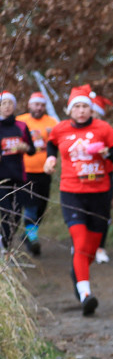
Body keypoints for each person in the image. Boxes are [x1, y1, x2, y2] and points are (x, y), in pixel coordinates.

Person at [44, 85, 113, 315]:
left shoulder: (104, 128)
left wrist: (107, 154)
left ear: (91, 109)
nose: (81, 111)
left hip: (99, 194)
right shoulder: (60, 130)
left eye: (85, 107)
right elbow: (51, 143)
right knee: (80, 242)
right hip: (71, 192)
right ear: (70, 110)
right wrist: (51, 159)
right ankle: (86, 294)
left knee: (89, 251)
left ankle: (78, 272)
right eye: (77, 107)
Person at [17, 92, 59, 256]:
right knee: (31, 205)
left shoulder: (52, 122)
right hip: (24, 172)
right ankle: (32, 238)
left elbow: (57, 143)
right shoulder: (21, 121)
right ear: (29, 105)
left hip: (45, 172)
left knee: (41, 206)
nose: (39, 107)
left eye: (42, 105)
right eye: (36, 104)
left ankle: (28, 233)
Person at [0, 91, 34, 254]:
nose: (7, 106)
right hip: (1, 179)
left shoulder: (21, 126)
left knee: (15, 216)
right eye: (3, 103)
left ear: (14, 106)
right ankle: (4, 249)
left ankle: (5, 246)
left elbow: (32, 149)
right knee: (5, 213)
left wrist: (25, 148)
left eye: (10, 103)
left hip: (18, 177)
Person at [88, 92, 113, 265]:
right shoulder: (75, 129)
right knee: (82, 211)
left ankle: (100, 248)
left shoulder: (107, 130)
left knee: (103, 213)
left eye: (94, 113)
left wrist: (107, 152)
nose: (90, 115)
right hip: (80, 177)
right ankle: (82, 244)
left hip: (105, 175)